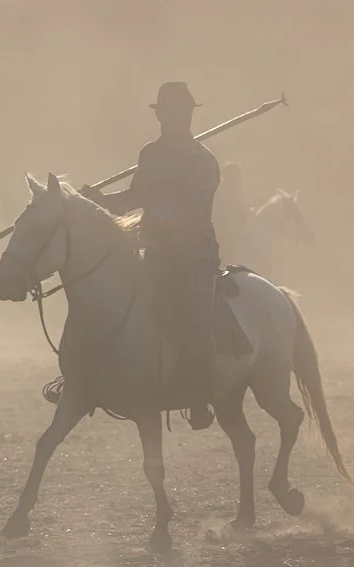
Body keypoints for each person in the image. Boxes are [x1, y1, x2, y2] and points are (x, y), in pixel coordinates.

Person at [79, 81, 221, 431]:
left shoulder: (204, 162)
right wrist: (101, 201)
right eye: (169, 112)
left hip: (193, 258)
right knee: (111, 303)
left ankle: (199, 395)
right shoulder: (151, 154)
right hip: (156, 253)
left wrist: (157, 219)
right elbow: (135, 197)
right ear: (160, 116)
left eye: (181, 112)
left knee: (194, 320)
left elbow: (195, 214)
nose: (175, 119)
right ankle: (93, 377)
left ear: (189, 115)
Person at [214, 161, 252, 268]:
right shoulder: (223, 191)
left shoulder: (231, 191)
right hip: (224, 234)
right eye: (236, 177)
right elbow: (229, 211)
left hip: (229, 232)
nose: (238, 180)